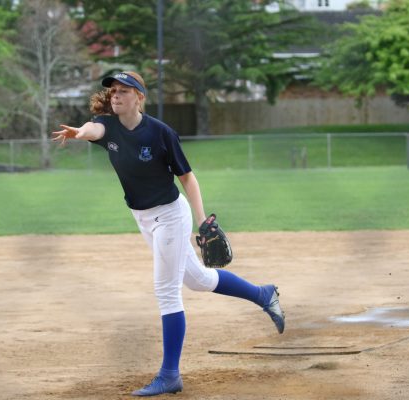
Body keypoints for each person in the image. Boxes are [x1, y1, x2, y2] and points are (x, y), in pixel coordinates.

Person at [52, 71, 285, 397]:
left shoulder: (160, 133)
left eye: (123, 91)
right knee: (199, 280)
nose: (116, 95)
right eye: (113, 91)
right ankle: (264, 294)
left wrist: (202, 221)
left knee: (166, 290)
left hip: (171, 216)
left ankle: (169, 374)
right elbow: (94, 129)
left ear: (139, 97)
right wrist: (79, 132)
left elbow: (188, 178)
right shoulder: (109, 126)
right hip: (143, 218)